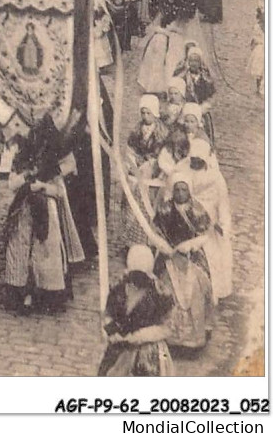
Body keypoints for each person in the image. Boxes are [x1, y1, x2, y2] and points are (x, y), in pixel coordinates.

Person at [4, 112, 84, 314]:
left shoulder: (52, 163)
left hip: (45, 210)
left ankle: (46, 292)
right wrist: (25, 178)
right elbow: (11, 183)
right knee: (20, 247)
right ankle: (20, 291)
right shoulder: (21, 157)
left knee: (46, 250)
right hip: (23, 207)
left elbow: (58, 191)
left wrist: (41, 186)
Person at [153, 175, 214, 351]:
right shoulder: (165, 209)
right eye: (177, 189)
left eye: (184, 189)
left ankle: (194, 339)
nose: (180, 193)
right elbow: (156, 231)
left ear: (189, 191)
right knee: (162, 287)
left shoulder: (197, 209)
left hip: (191, 256)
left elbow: (204, 235)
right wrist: (164, 246)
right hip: (169, 256)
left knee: (200, 287)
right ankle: (168, 337)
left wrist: (190, 245)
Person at [98, 245, 174, 376]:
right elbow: (108, 314)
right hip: (119, 348)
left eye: (141, 275)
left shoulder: (159, 293)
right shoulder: (119, 289)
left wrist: (138, 337)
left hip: (148, 350)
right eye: (135, 274)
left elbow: (167, 327)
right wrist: (112, 332)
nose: (137, 279)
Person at [188, 138, 233, 301]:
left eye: (198, 160)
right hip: (187, 218)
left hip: (209, 224)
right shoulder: (184, 170)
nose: (195, 163)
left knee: (212, 257)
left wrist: (223, 224)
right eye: (193, 160)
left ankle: (214, 290)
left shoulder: (215, 177)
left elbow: (223, 203)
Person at [121, 96, 168, 248]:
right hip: (137, 173)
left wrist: (152, 164)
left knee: (150, 209)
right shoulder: (136, 131)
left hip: (153, 175)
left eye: (149, 113)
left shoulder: (162, 132)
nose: (146, 117)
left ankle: (150, 242)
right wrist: (133, 163)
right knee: (134, 208)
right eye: (143, 113)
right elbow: (130, 149)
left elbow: (163, 153)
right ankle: (134, 241)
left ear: (155, 113)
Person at [174, 44, 216, 146]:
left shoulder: (205, 78)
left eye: (196, 61)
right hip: (185, 109)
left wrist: (203, 108)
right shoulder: (182, 76)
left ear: (200, 62)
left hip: (200, 110)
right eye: (191, 61)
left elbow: (211, 96)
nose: (193, 63)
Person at [248, 1, 265, 97]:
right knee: (259, 70)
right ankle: (259, 87)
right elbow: (254, 39)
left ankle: (263, 87)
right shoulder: (257, 27)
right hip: (260, 50)